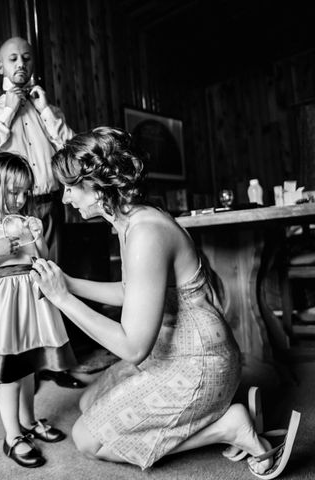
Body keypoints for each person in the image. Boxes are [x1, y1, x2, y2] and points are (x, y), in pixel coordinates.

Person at [30, 127, 301, 477]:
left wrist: (62, 299)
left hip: (200, 364)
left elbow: (132, 346)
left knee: (88, 439)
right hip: (171, 352)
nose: (65, 198)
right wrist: (67, 282)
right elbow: (133, 293)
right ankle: (216, 415)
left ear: (98, 187)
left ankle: (228, 426)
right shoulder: (128, 221)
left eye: (71, 188)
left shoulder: (146, 233)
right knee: (87, 403)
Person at [0, 35, 84, 389]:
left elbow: (74, 155)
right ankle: (19, 355)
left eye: (27, 58)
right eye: (13, 59)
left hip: (51, 206)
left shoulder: (50, 111)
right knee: (17, 284)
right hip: (11, 214)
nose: (21, 64)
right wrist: (8, 109)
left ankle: (52, 361)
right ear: (1, 67)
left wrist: (46, 110)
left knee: (50, 278)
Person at [0, 152, 77, 468]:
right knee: (11, 373)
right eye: (14, 191)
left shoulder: (30, 222)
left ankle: (27, 423)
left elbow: (41, 260)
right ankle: (12, 436)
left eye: (25, 191)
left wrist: (39, 241)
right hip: (5, 301)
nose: (21, 198)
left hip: (31, 299)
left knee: (29, 366)